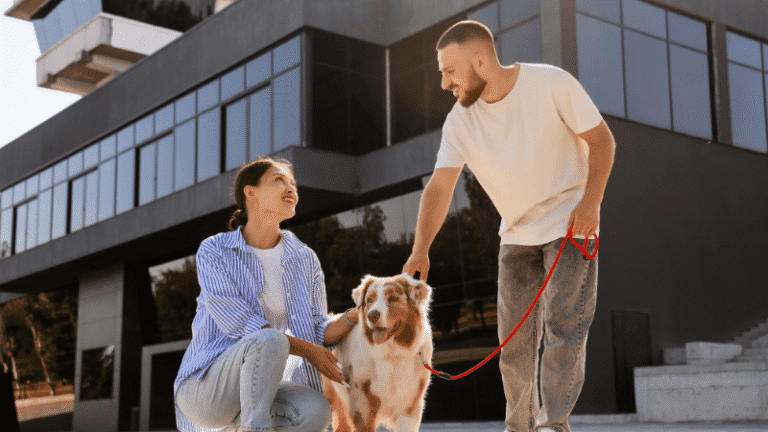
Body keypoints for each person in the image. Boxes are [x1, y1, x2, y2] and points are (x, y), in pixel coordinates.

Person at [402, 21, 616, 432]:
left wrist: (591, 203)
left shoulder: (551, 83)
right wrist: (421, 248)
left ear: (480, 61)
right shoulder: (460, 121)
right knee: (513, 345)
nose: (445, 82)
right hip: (515, 235)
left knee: (562, 326)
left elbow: (602, 141)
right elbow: (439, 187)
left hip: (569, 225)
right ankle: (518, 427)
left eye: (449, 70)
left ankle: (553, 423)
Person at [174, 157, 359, 432]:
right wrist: (309, 351)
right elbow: (241, 324)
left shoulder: (304, 258)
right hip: (206, 391)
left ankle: (242, 427)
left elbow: (318, 329)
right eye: (279, 180)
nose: (291, 188)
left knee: (316, 411)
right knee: (268, 338)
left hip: (262, 390)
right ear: (250, 192)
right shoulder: (215, 251)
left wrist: (356, 315)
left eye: (293, 184)